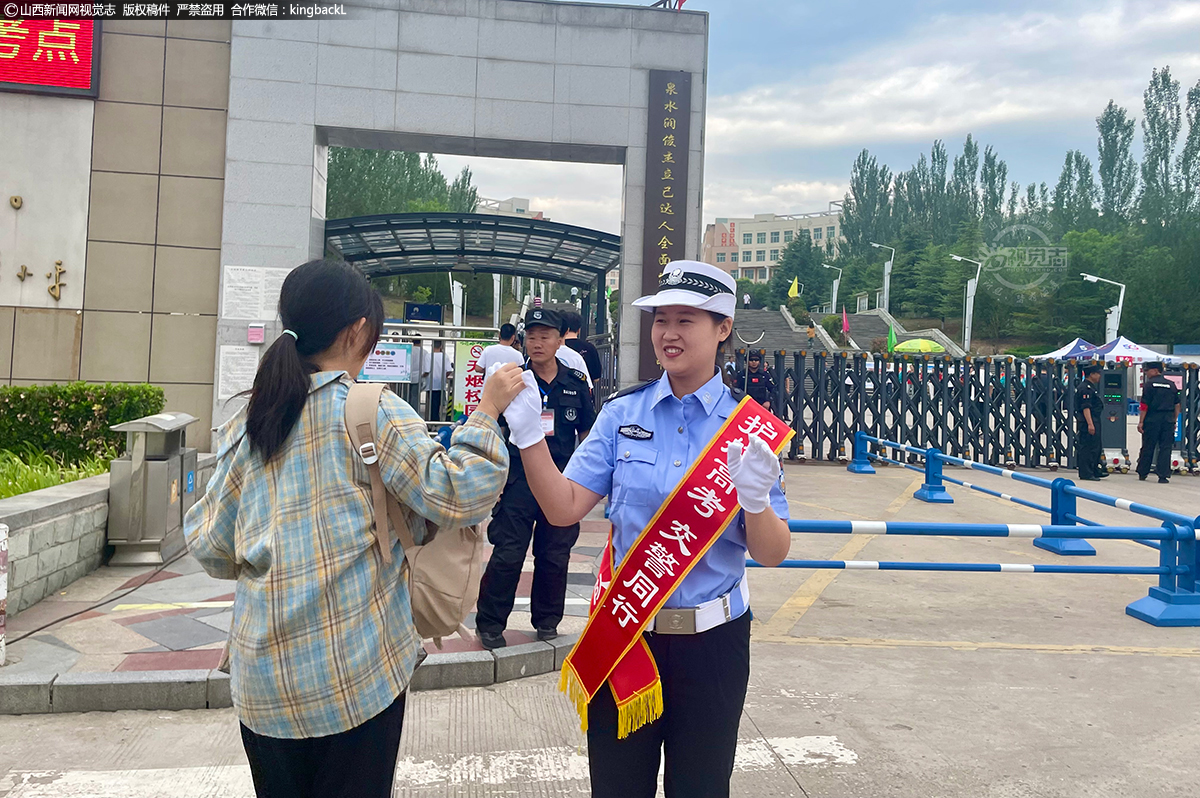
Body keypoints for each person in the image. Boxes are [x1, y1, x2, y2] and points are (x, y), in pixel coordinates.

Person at [184, 259, 527, 798]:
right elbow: (460, 492)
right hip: (354, 672)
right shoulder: (371, 409)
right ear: (358, 331)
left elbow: (209, 545)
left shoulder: (248, 420)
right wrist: (486, 412)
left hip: (262, 682)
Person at [508, 260, 790, 798]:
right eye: (661, 319)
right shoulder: (622, 414)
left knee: (702, 789)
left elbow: (773, 553)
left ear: (723, 328)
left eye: (687, 320)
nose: (669, 333)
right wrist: (529, 437)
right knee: (616, 788)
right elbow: (564, 507)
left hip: (714, 644)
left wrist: (754, 500)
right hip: (627, 632)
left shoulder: (747, 427)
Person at [475, 308, 596, 650]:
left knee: (555, 554)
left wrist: (584, 483)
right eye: (531, 336)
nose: (537, 342)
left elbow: (588, 436)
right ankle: (490, 624)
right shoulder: (512, 381)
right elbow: (492, 430)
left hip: (560, 481)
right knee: (508, 552)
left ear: (560, 341)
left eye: (545, 336)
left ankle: (547, 622)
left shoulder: (575, 384)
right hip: (518, 482)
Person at [1136, 360, 1181, 483]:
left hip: (1152, 419)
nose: (1146, 373)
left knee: (1148, 446)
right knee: (1165, 448)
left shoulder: (1149, 385)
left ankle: (1143, 472)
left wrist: (1141, 422)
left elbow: (1144, 405)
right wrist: (1174, 419)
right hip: (1168, 420)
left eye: (1148, 371)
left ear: (1156, 370)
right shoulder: (1171, 385)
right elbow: (1177, 405)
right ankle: (1163, 475)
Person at [1075, 363, 1104, 481]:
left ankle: (1094, 469)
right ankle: (1086, 473)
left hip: (1094, 419)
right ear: (1091, 374)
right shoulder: (1085, 388)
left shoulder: (1091, 387)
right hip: (1088, 420)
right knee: (1087, 447)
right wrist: (1090, 424)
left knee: (1096, 446)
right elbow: (1085, 407)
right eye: (1098, 374)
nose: (1099, 376)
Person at [562, 308, 603, 383]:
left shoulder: (554, 348)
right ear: (579, 329)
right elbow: (596, 378)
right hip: (584, 391)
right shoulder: (589, 348)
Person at [423, 339, 453, 421]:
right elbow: (449, 370)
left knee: (432, 405)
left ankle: (433, 421)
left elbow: (427, 370)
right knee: (439, 404)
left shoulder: (429, 356)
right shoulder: (445, 356)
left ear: (432, 346)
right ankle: (437, 420)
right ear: (441, 346)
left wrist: (422, 376)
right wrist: (443, 376)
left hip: (431, 384)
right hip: (441, 384)